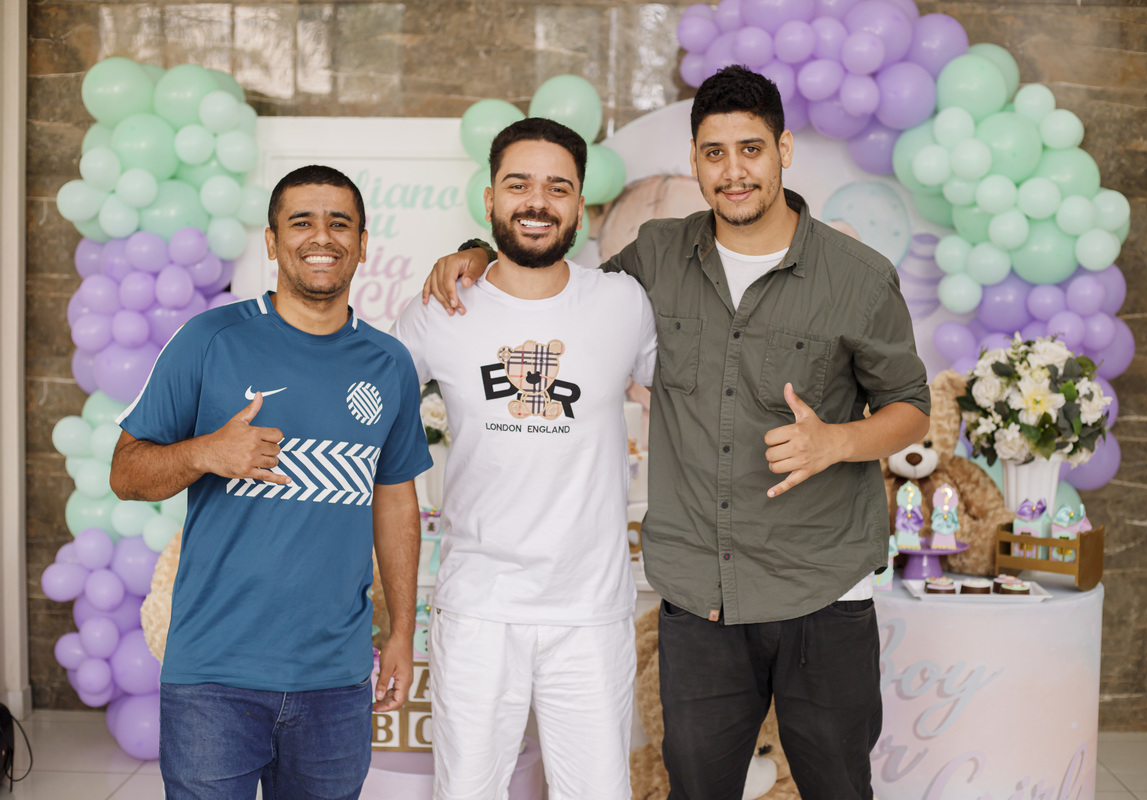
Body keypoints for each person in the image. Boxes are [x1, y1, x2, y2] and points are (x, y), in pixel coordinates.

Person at [423, 66, 931, 800]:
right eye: (714, 153)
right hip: (701, 595)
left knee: (837, 786)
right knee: (694, 787)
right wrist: (478, 254)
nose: (734, 171)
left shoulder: (857, 275)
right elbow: (550, 283)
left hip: (821, 586)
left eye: (751, 149)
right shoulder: (656, 256)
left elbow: (911, 408)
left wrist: (838, 443)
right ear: (694, 160)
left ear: (784, 150)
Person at [110, 165, 432, 800]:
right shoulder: (210, 340)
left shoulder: (389, 362)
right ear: (271, 240)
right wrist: (206, 451)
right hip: (214, 678)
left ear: (363, 243)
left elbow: (395, 499)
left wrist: (400, 631)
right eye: (301, 222)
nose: (322, 237)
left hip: (335, 681)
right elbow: (126, 473)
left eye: (340, 223)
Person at [391, 117, 656, 800]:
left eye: (557, 188)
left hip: (590, 610)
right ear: (489, 199)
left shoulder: (622, 302)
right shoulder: (440, 306)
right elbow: (368, 408)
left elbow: (698, 392)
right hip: (479, 606)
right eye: (518, 185)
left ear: (580, 207)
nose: (537, 202)